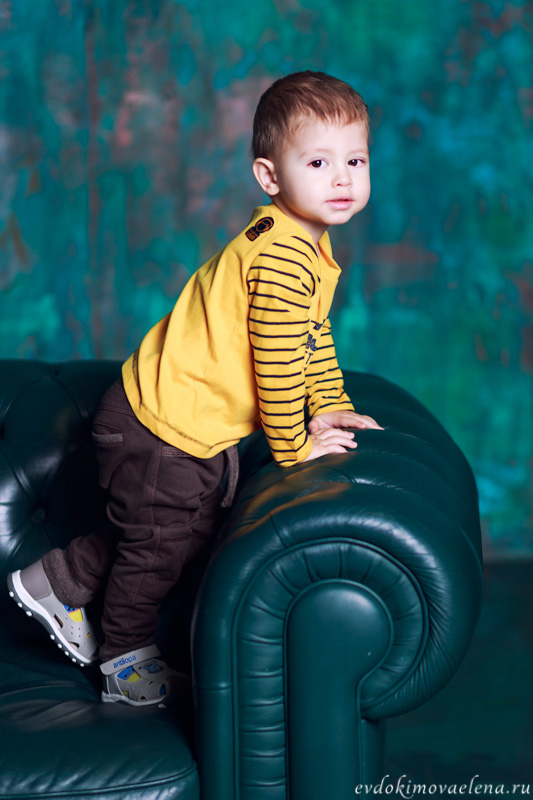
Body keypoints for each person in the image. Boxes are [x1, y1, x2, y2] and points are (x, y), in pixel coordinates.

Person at [7, 71, 383, 707]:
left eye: (356, 160)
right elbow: (276, 364)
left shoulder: (298, 244)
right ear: (270, 177)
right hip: (163, 426)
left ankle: (56, 580)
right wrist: (295, 448)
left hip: (177, 420)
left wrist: (329, 405)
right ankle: (124, 658)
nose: (342, 178)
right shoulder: (282, 258)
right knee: (159, 548)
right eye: (319, 162)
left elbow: (312, 340)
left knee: (166, 531)